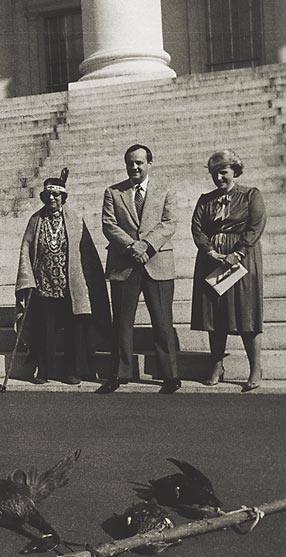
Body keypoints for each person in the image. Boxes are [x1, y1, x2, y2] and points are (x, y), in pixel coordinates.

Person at [15, 170, 110, 384]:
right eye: (47, 195)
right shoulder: (35, 220)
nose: (52, 199)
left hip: (70, 286)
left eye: (56, 196)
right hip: (43, 285)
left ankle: (72, 370)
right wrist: (27, 280)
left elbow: (87, 252)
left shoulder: (75, 219)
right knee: (44, 329)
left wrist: (88, 283)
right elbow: (25, 249)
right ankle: (44, 370)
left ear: (63, 198)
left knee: (73, 330)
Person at [100, 144, 181, 394]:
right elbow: (109, 224)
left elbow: (170, 222)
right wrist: (132, 246)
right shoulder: (113, 192)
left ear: (149, 164)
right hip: (125, 263)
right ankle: (119, 373)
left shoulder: (165, 189)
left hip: (157, 262)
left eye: (139, 162)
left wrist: (146, 244)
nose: (134, 167)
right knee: (122, 323)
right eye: (130, 163)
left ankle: (169, 375)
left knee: (162, 321)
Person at [190, 150, 266, 391]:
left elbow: (256, 225)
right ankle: (216, 364)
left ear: (234, 171)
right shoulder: (206, 199)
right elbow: (198, 227)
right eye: (214, 173)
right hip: (212, 259)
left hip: (241, 260)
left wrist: (238, 253)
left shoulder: (250, 195)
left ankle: (255, 367)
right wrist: (210, 251)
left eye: (223, 172)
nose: (219, 177)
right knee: (214, 312)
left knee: (246, 311)